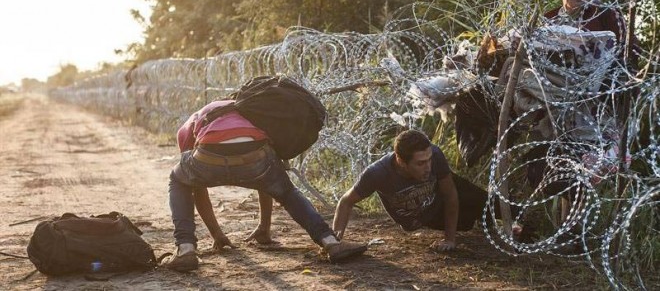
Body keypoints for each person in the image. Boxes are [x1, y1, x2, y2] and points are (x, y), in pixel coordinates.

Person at [162, 99, 367, 272]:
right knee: (287, 192)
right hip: (256, 155)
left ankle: (186, 249)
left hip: (210, 153)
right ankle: (330, 242)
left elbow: (197, 188)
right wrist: (264, 228)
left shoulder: (193, 122)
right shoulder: (250, 110)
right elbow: (265, 183)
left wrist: (217, 233)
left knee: (179, 180)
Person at [333, 129, 515, 252]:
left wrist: (450, 240)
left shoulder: (434, 155)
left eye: (428, 160)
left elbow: (450, 194)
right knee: (467, 223)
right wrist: (336, 241)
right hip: (425, 215)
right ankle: (489, 223)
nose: (428, 166)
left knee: (489, 202)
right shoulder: (377, 173)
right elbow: (346, 201)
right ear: (401, 161)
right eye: (420, 163)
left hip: (442, 192)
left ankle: (519, 221)